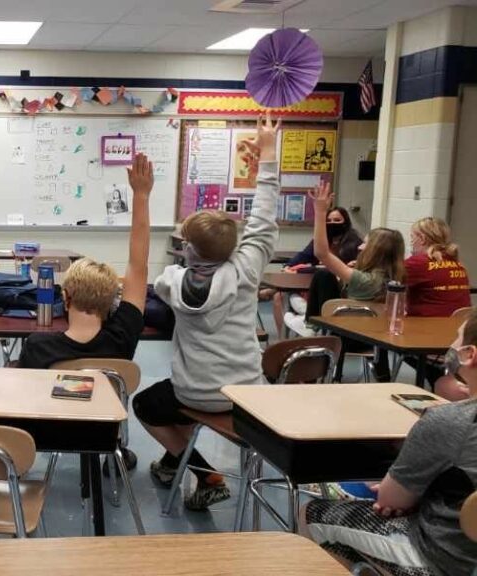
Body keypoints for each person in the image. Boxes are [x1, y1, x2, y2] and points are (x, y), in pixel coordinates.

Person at [132, 112, 282, 511]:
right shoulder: (247, 269)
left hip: (195, 391)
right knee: (171, 403)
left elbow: (151, 276)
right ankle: (172, 463)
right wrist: (268, 156)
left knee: (146, 405)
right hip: (246, 393)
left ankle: (205, 473)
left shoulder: (170, 281)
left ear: (187, 250)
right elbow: (264, 220)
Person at [302, 311, 477, 576]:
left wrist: (398, 486)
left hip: (444, 559)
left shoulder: (448, 421)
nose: (452, 344)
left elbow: (390, 498)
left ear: (469, 355)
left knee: (312, 513)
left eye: (458, 337)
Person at [17, 154, 151, 470]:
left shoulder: (38, 347)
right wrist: (142, 196)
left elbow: (22, 399)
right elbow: (139, 265)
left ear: (66, 296)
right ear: (112, 301)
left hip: (51, 435)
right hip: (103, 432)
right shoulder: (123, 333)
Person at [284, 184, 406, 338]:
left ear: (375, 252)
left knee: (323, 276)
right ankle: (307, 317)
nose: (360, 247)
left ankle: (310, 323)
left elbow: (321, 253)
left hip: (349, 334)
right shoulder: (396, 278)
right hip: (379, 337)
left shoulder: (365, 280)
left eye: (365, 244)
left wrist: (320, 212)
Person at [260, 207, 363, 337]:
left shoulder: (354, 244)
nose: (332, 223)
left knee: (284, 292)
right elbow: (303, 256)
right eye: (329, 220)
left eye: (337, 220)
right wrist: (289, 266)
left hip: (335, 289)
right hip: (312, 282)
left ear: (346, 222)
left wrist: (299, 270)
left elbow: (331, 269)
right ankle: (283, 338)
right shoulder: (321, 240)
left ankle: (307, 318)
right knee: (279, 296)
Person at [406, 217, 470, 318]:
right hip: (457, 328)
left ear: (422, 239)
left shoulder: (417, 263)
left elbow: (385, 286)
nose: (411, 243)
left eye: (412, 238)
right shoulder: (458, 265)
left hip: (425, 328)